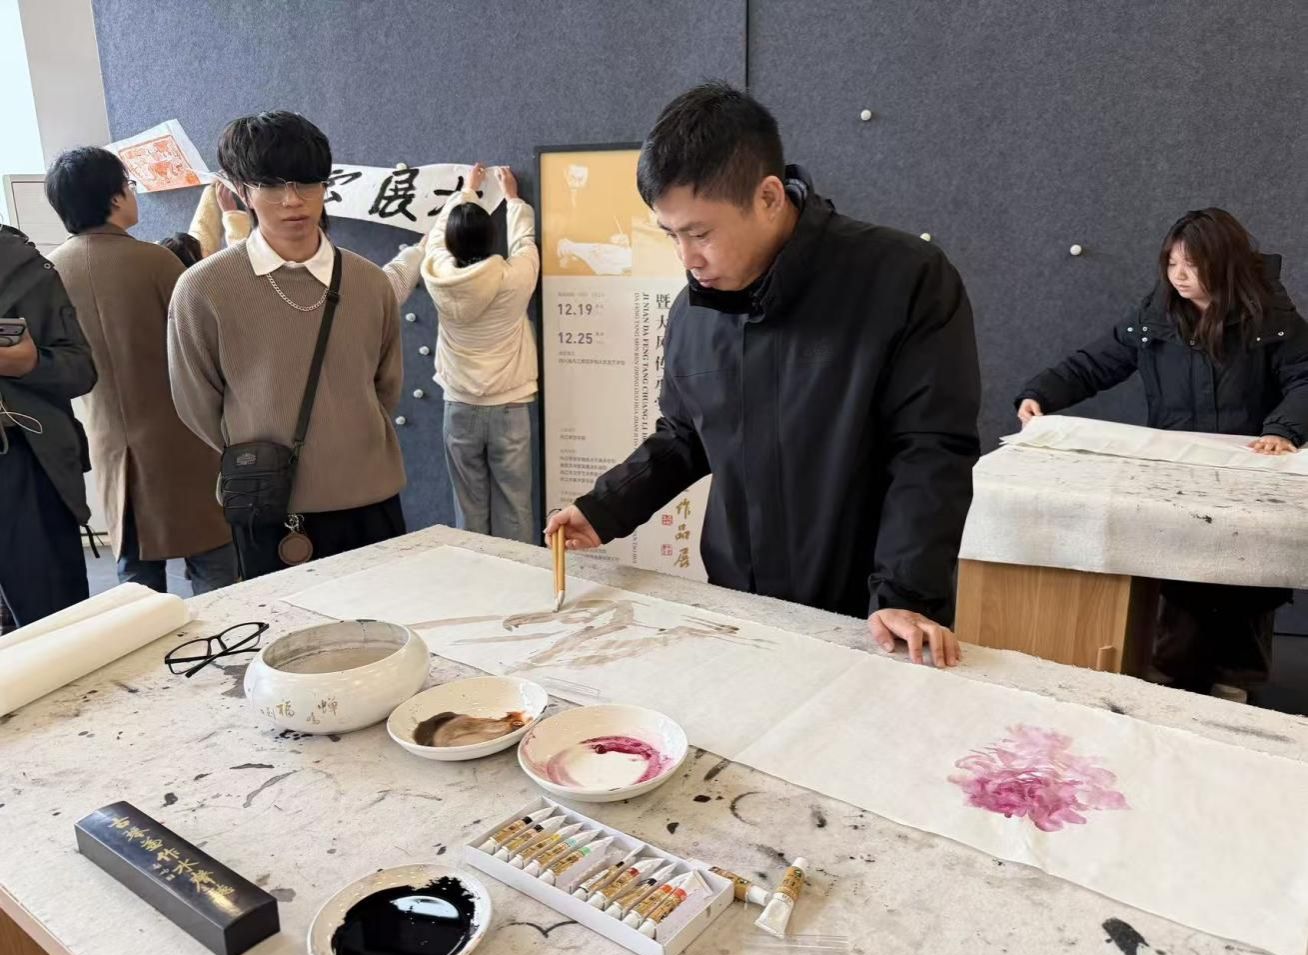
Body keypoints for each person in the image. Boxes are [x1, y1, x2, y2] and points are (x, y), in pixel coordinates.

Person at [546, 83, 981, 667]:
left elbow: (930, 449)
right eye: (671, 234)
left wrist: (907, 595)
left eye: (700, 233)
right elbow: (685, 435)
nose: (686, 258)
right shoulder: (694, 310)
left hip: (872, 620)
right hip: (739, 612)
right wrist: (605, 509)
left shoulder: (906, 280)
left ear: (769, 197)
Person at [1016, 208, 1308, 697]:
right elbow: (1095, 363)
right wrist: (1040, 393)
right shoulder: (1155, 317)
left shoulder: (1272, 319)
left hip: (1250, 471)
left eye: (1192, 264)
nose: (1179, 276)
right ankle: (1174, 679)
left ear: (1225, 262)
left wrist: (1284, 430)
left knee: (1248, 576)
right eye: (1172, 263)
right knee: (1181, 572)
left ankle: (1236, 681)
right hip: (1178, 473)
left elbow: (1306, 379)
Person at [169, 110, 406, 579]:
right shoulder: (204, 288)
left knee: (383, 620)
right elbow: (196, 403)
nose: (293, 200)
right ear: (241, 189)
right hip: (268, 504)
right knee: (283, 625)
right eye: (271, 185)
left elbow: (386, 385)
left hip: (371, 497)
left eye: (307, 183)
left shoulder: (369, 282)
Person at [46, 147, 236, 595]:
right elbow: (204, 344)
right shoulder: (156, 262)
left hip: (111, 444)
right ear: (114, 198)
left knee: (135, 581)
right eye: (129, 186)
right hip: (182, 440)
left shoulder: (49, 272)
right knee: (215, 566)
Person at [421, 163, 540, 541]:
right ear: (492, 238)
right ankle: (516, 576)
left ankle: (475, 576)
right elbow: (525, 243)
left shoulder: (437, 274)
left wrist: (467, 192)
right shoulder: (514, 278)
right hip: (510, 405)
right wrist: (512, 199)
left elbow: (437, 235)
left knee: (468, 506)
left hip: (459, 405)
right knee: (515, 506)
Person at [0, 224, 98, 625]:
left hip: (23, 466)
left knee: (55, 624)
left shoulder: (19, 266)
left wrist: (30, 364)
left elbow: (81, 369)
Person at [189, 180, 429, 302]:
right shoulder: (347, 289)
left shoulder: (245, 290)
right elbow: (389, 289)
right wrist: (422, 248)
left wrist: (231, 214)